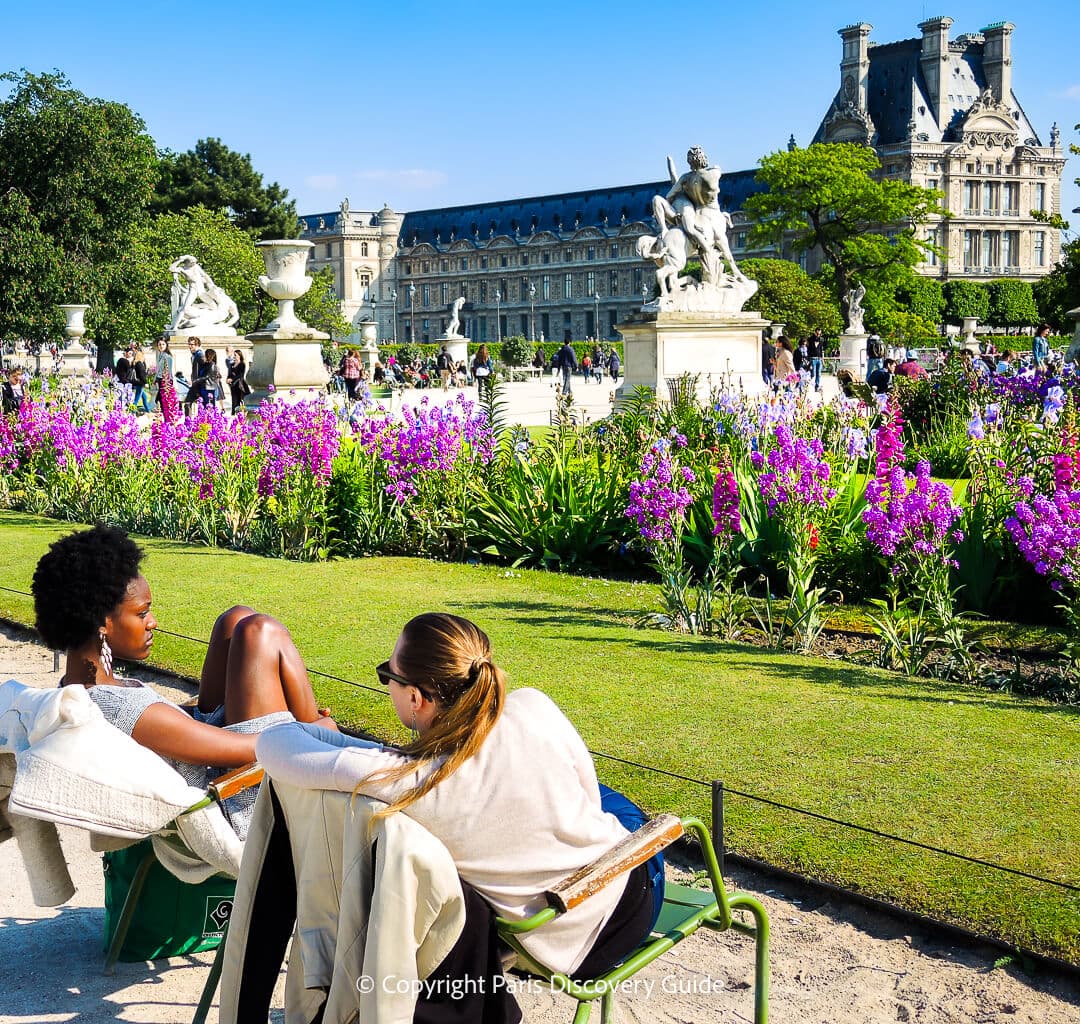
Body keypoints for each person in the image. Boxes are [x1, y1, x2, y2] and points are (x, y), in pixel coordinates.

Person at [255, 612, 660, 980]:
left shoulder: (407, 780)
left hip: (560, 945)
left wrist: (359, 754)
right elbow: (588, 801)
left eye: (387, 676)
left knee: (578, 796)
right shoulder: (534, 707)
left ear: (416, 697)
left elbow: (273, 742)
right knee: (599, 798)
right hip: (625, 892)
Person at [30, 524, 336, 838]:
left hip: (208, 769)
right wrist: (313, 731)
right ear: (102, 623)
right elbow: (255, 748)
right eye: (141, 613)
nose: (153, 622)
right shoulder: (126, 711)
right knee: (259, 631)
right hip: (237, 805)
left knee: (235, 620)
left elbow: (169, 732)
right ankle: (332, 753)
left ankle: (322, 739)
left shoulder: (81, 691)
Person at [183, 337, 206, 415]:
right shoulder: (194, 355)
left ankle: (202, 424)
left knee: (201, 405)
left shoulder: (200, 355)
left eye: (192, 344)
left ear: (197, 345)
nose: (190, 346)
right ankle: (188, 424)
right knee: (187, 403)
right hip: (195, 384)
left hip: (201, 385)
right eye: (189, 344)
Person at [154, 337, 175, 411]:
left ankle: (165, 415)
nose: (161, 346)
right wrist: (155, 379)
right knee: (160, 400)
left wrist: (169, 382)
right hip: (160, 379)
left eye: (163, 344)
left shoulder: (168, 356)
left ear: (166, 345)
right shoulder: (160, 355)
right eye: (159, 344)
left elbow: (169, 371)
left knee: (161, 400)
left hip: (165, 381)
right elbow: (158, 369)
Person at [130, 347, 152, 412]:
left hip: (137, 382)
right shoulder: (139, 364)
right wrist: (145, 383)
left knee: (144, 397)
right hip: (140, 383)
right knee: (136, 400)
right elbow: (142, 374)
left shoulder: (135, 363)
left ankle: (148, 410)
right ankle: (132, 412)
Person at [227, 349, 249, 414]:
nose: (234, 356)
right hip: (233, 385)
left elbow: (241, 375)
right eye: (234, 355)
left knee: (241, 399)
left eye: (235, 355)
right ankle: (234, 413)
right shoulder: (231, 364)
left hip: (240, 384)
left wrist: (232, 379)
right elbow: (229, 374)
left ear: (239, 356)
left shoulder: (242, 364)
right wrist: (228, 379)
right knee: (234, 399)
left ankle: (242, 413)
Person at [806, 328, 825, 392]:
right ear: (814, 332)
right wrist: (808, 358)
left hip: (819, 359)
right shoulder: (810, 339)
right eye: (817, 333)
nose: (818, 335)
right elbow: (807, 349)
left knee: (818, 374)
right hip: (812, 358)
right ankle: (807, 384)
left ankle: (817, 386)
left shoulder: (821, 340)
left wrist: (823, 359)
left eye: (819, 334)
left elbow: (822, 350)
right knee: (812, 373)